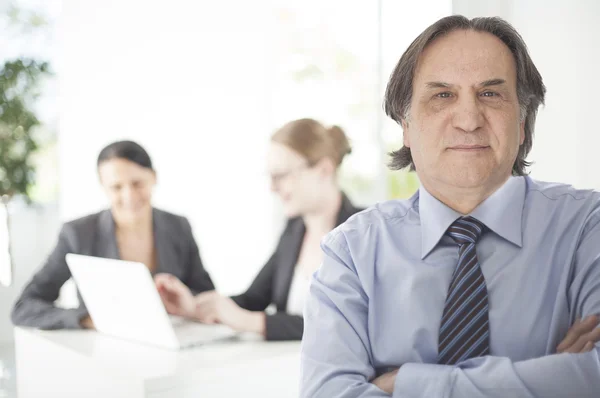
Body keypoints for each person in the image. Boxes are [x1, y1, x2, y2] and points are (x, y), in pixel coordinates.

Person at [300, 15, 600, 397]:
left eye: (490, 94)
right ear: (405, 126)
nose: (468, 120)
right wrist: (549, 378)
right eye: (442, 95)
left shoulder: (589, 229)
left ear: (522, 122)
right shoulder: (351, 253)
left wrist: (405, 384)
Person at [154, 118, 362, 341]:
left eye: (281, 175)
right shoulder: (294, 231)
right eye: (270, 177)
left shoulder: (366, 232)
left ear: (324, 169)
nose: (273, 187)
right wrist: (193, 306)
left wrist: (250, 321)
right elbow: (253, 299)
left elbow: (345, 322)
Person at [11, 140, 215, 330]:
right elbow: (25, 306)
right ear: (103, 187)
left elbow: (208, 296)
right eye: (116, 187)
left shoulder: (178, 226)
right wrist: (88, 318)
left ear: (154, 177)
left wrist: (185, 301)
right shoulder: (78, 234)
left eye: (137, 183)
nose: (129, 196)